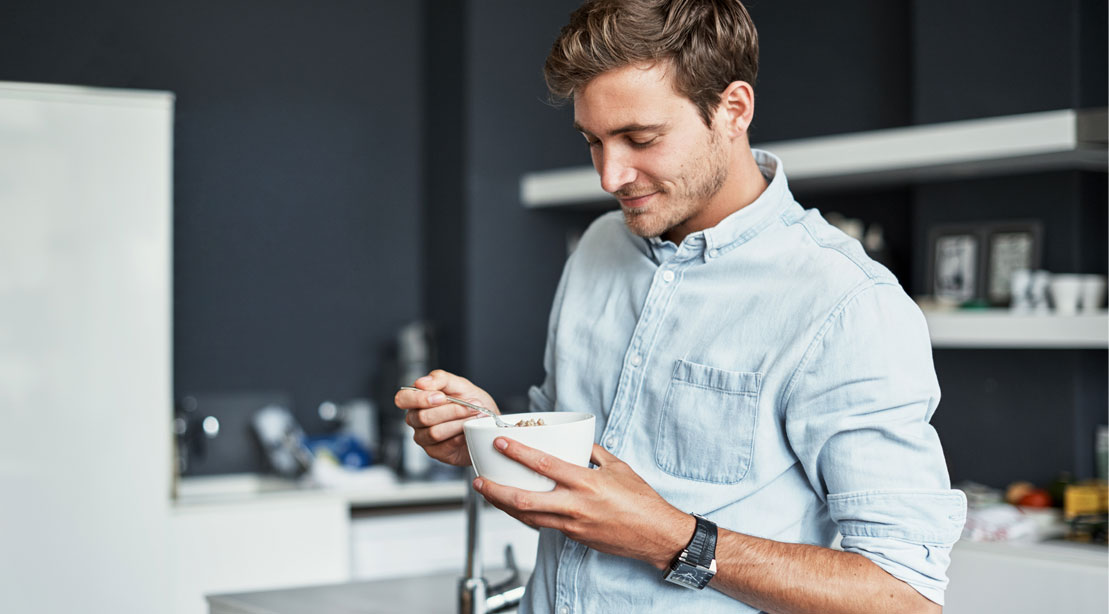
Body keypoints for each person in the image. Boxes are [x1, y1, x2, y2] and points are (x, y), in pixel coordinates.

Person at [396, 1, 966, 612]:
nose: (611, 175)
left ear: (733, 110)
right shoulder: (598, 248)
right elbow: (574, 499)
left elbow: (902, 594)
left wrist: (673, 538)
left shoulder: (845, 301)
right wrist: (488, 437)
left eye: (640, 139)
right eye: (594, 141)